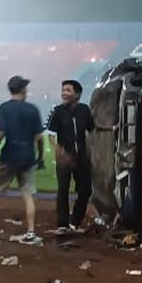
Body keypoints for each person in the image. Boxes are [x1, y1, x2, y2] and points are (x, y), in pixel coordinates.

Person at [0, 75, 45, 244]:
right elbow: (40, 138)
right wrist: (40, 157)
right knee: (28, 195)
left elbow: (0, 134)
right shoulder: (33, 109)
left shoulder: (4, 108)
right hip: (28, 157)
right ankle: (31, 232)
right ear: (23, 89)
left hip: (10, 156)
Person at [46, 79, 95, 232]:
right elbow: (51, 135)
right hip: (64, 157)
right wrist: (60, 152)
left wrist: (89, 151)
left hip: (81, 157)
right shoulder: (58, 111)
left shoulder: (84, 110)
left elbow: (91, 131)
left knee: (85, 190)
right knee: (63, 190)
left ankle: (76, 220)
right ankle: (63, 224)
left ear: (78, 94)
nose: (64, 94)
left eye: (68, 90)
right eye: (63, 90)